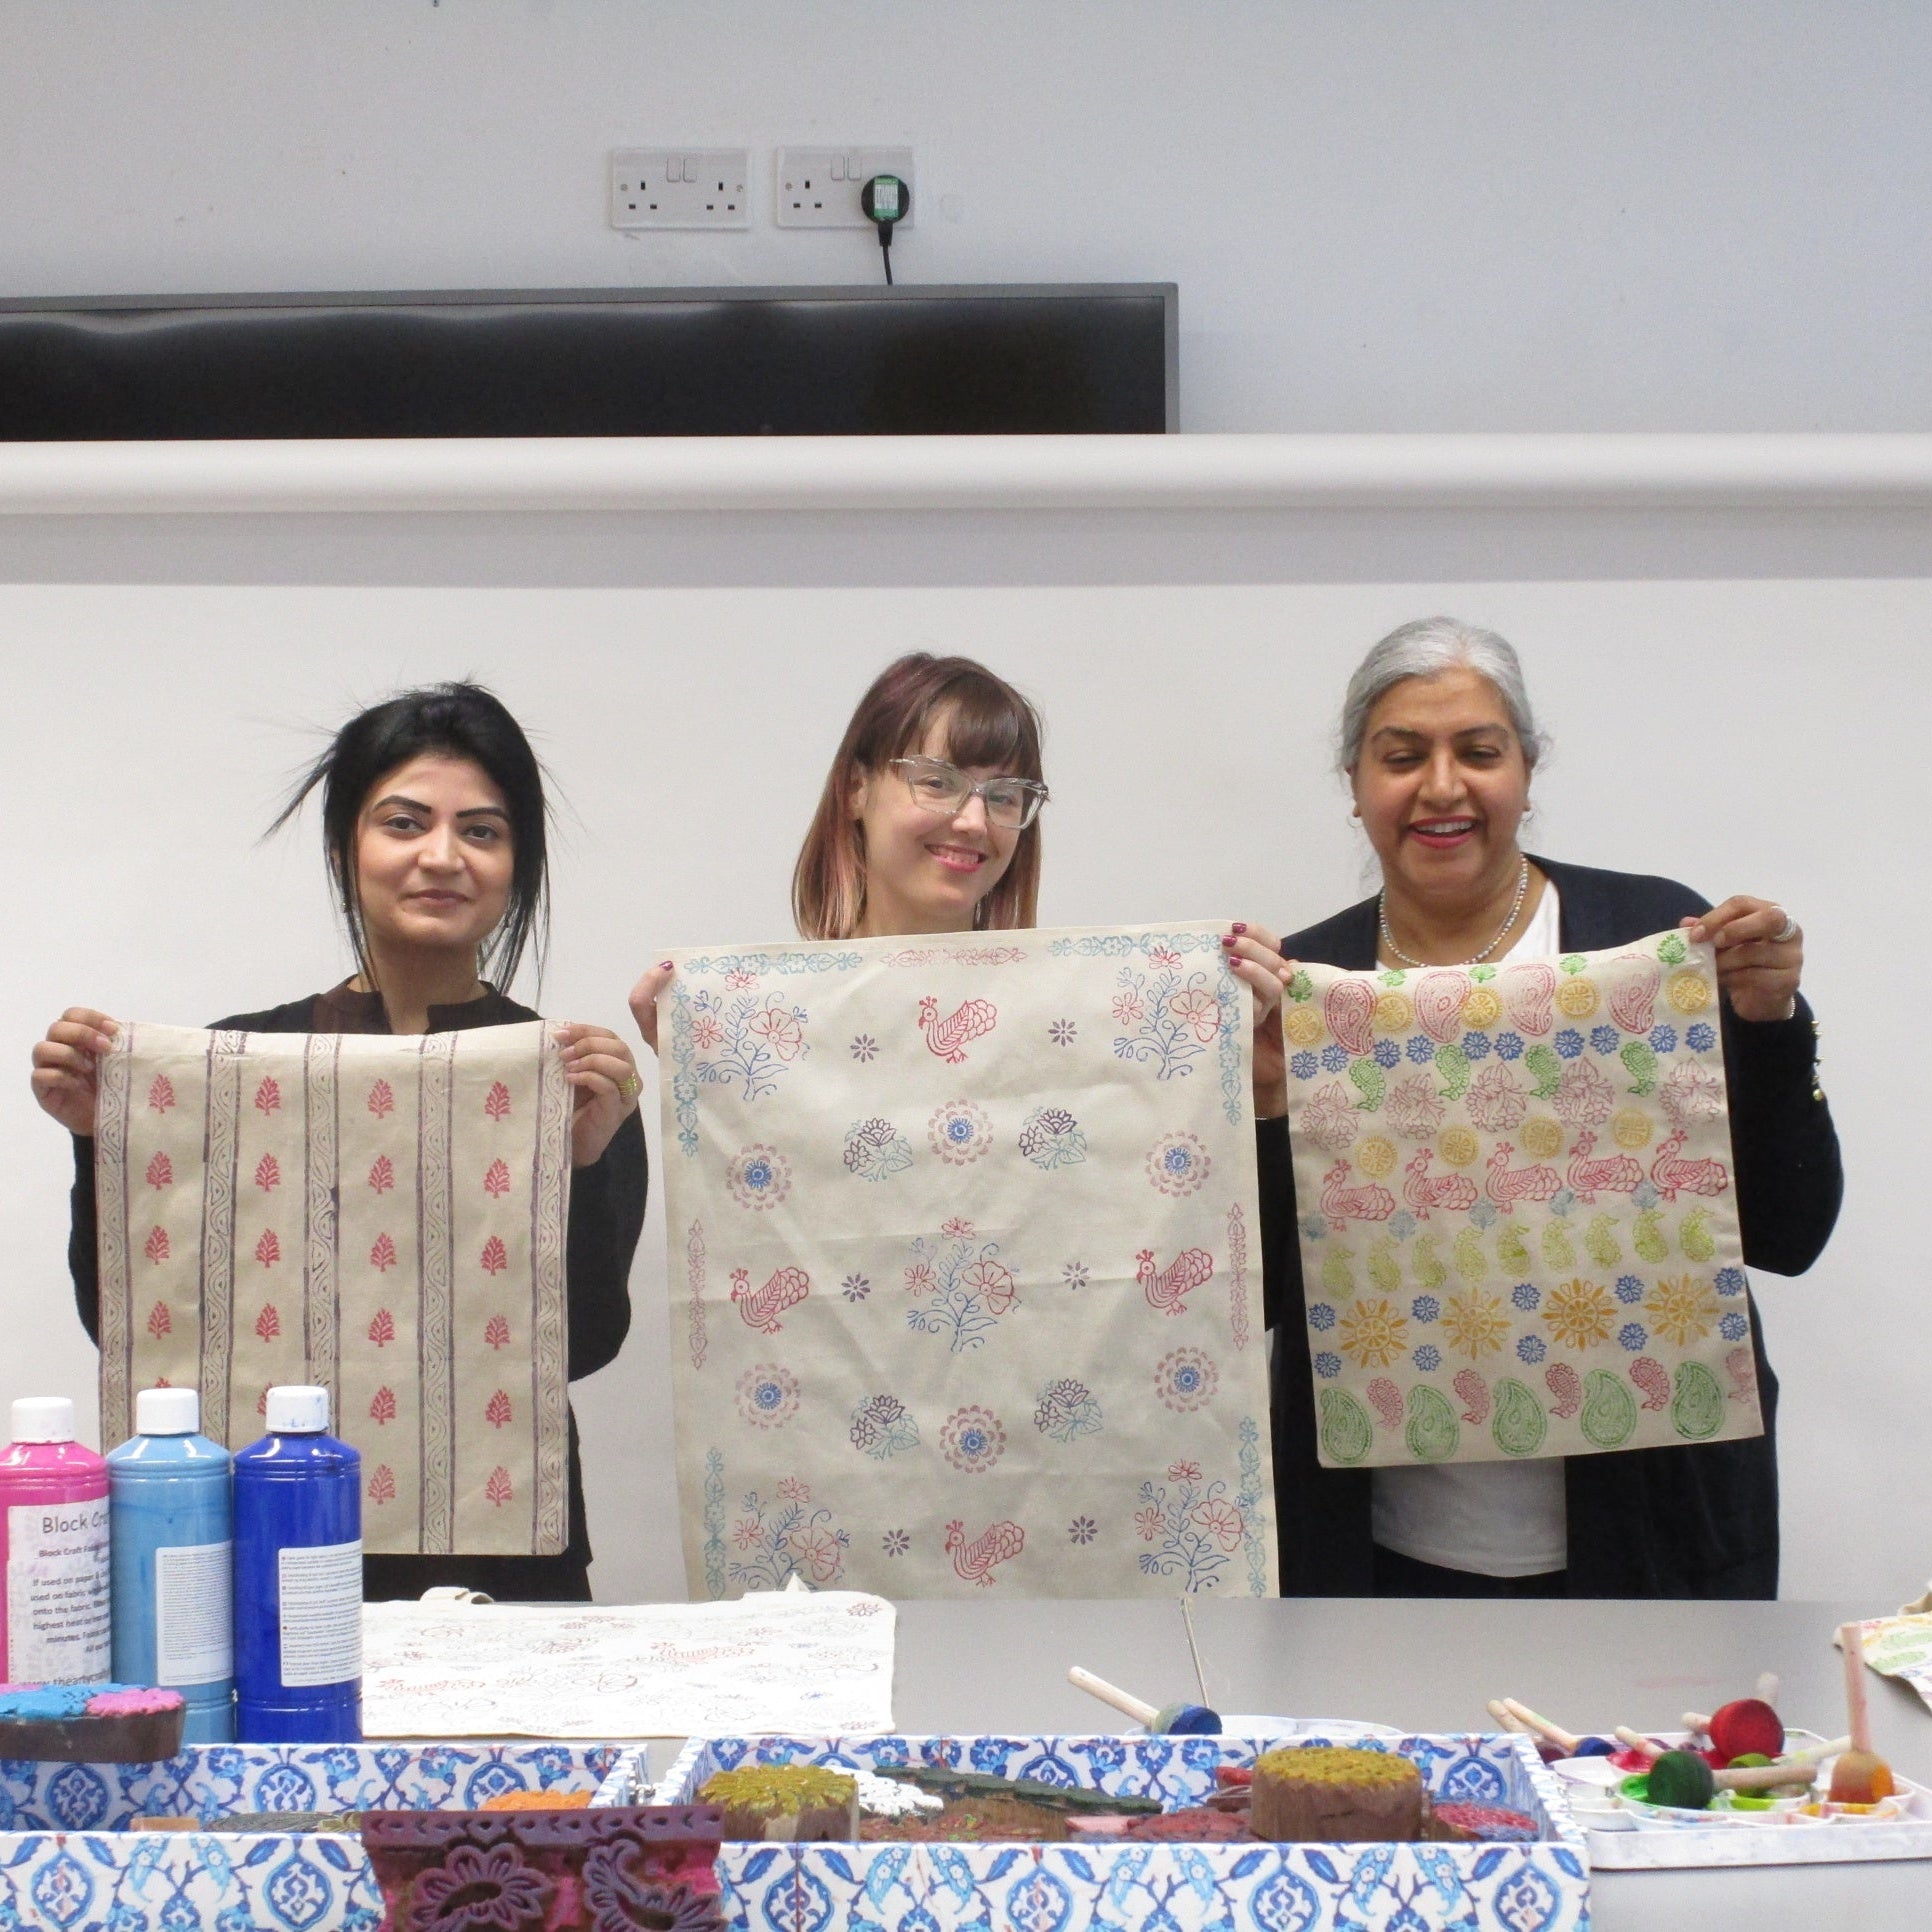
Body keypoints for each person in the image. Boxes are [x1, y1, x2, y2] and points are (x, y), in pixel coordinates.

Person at [1247, 617, 1841, 1599]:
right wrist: (1269, 1106)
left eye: (1479, 752)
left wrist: (1770, 1019)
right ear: (1355, 785)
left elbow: (1790, 1231)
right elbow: (1260, 1300)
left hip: (1652, 1537)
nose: (1443, 786)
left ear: (1526, 770)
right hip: (1382, 1557)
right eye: (1403, 757)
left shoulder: (1650, 942)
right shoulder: (1311, 984)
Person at [31, 681, 645, 1601]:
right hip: (262, 1547)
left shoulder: (569, 1077)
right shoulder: (231, 1069)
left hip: (499, 1561)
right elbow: (137, 1330)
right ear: (344, 845)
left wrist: (588, 1161)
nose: (443, 856)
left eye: (481, 831)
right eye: (405, 823)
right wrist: (101, 1138)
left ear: (517, 863)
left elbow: (585, 1343)